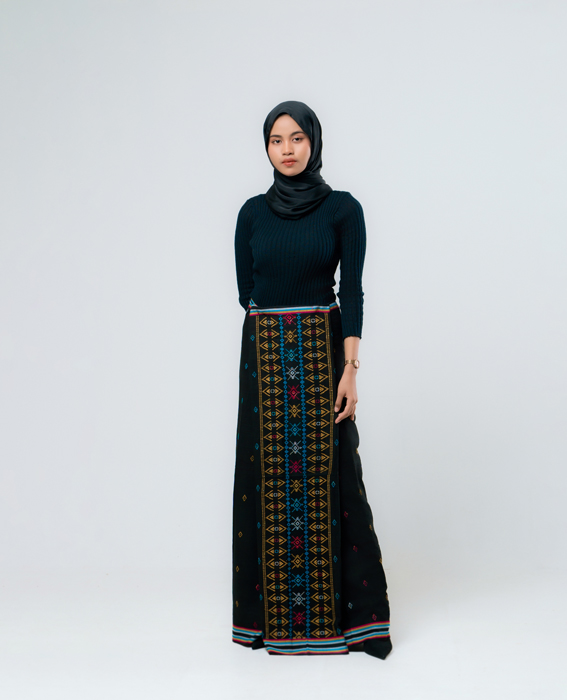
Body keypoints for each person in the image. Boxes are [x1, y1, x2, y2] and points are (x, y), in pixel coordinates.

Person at [231, 100, 392, 660]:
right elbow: (247, 292)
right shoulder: (251, 214)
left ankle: (352, 624)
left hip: (324, 358)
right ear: (266, 147)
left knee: (334, 478)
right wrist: (278, 338)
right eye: (277, 140)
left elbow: (353, 292)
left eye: (297, 138)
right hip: (266, 360)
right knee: (266, 480)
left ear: (314, 142)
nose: (288, 149)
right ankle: (269, 624)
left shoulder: (343, 209)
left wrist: (350, 369)